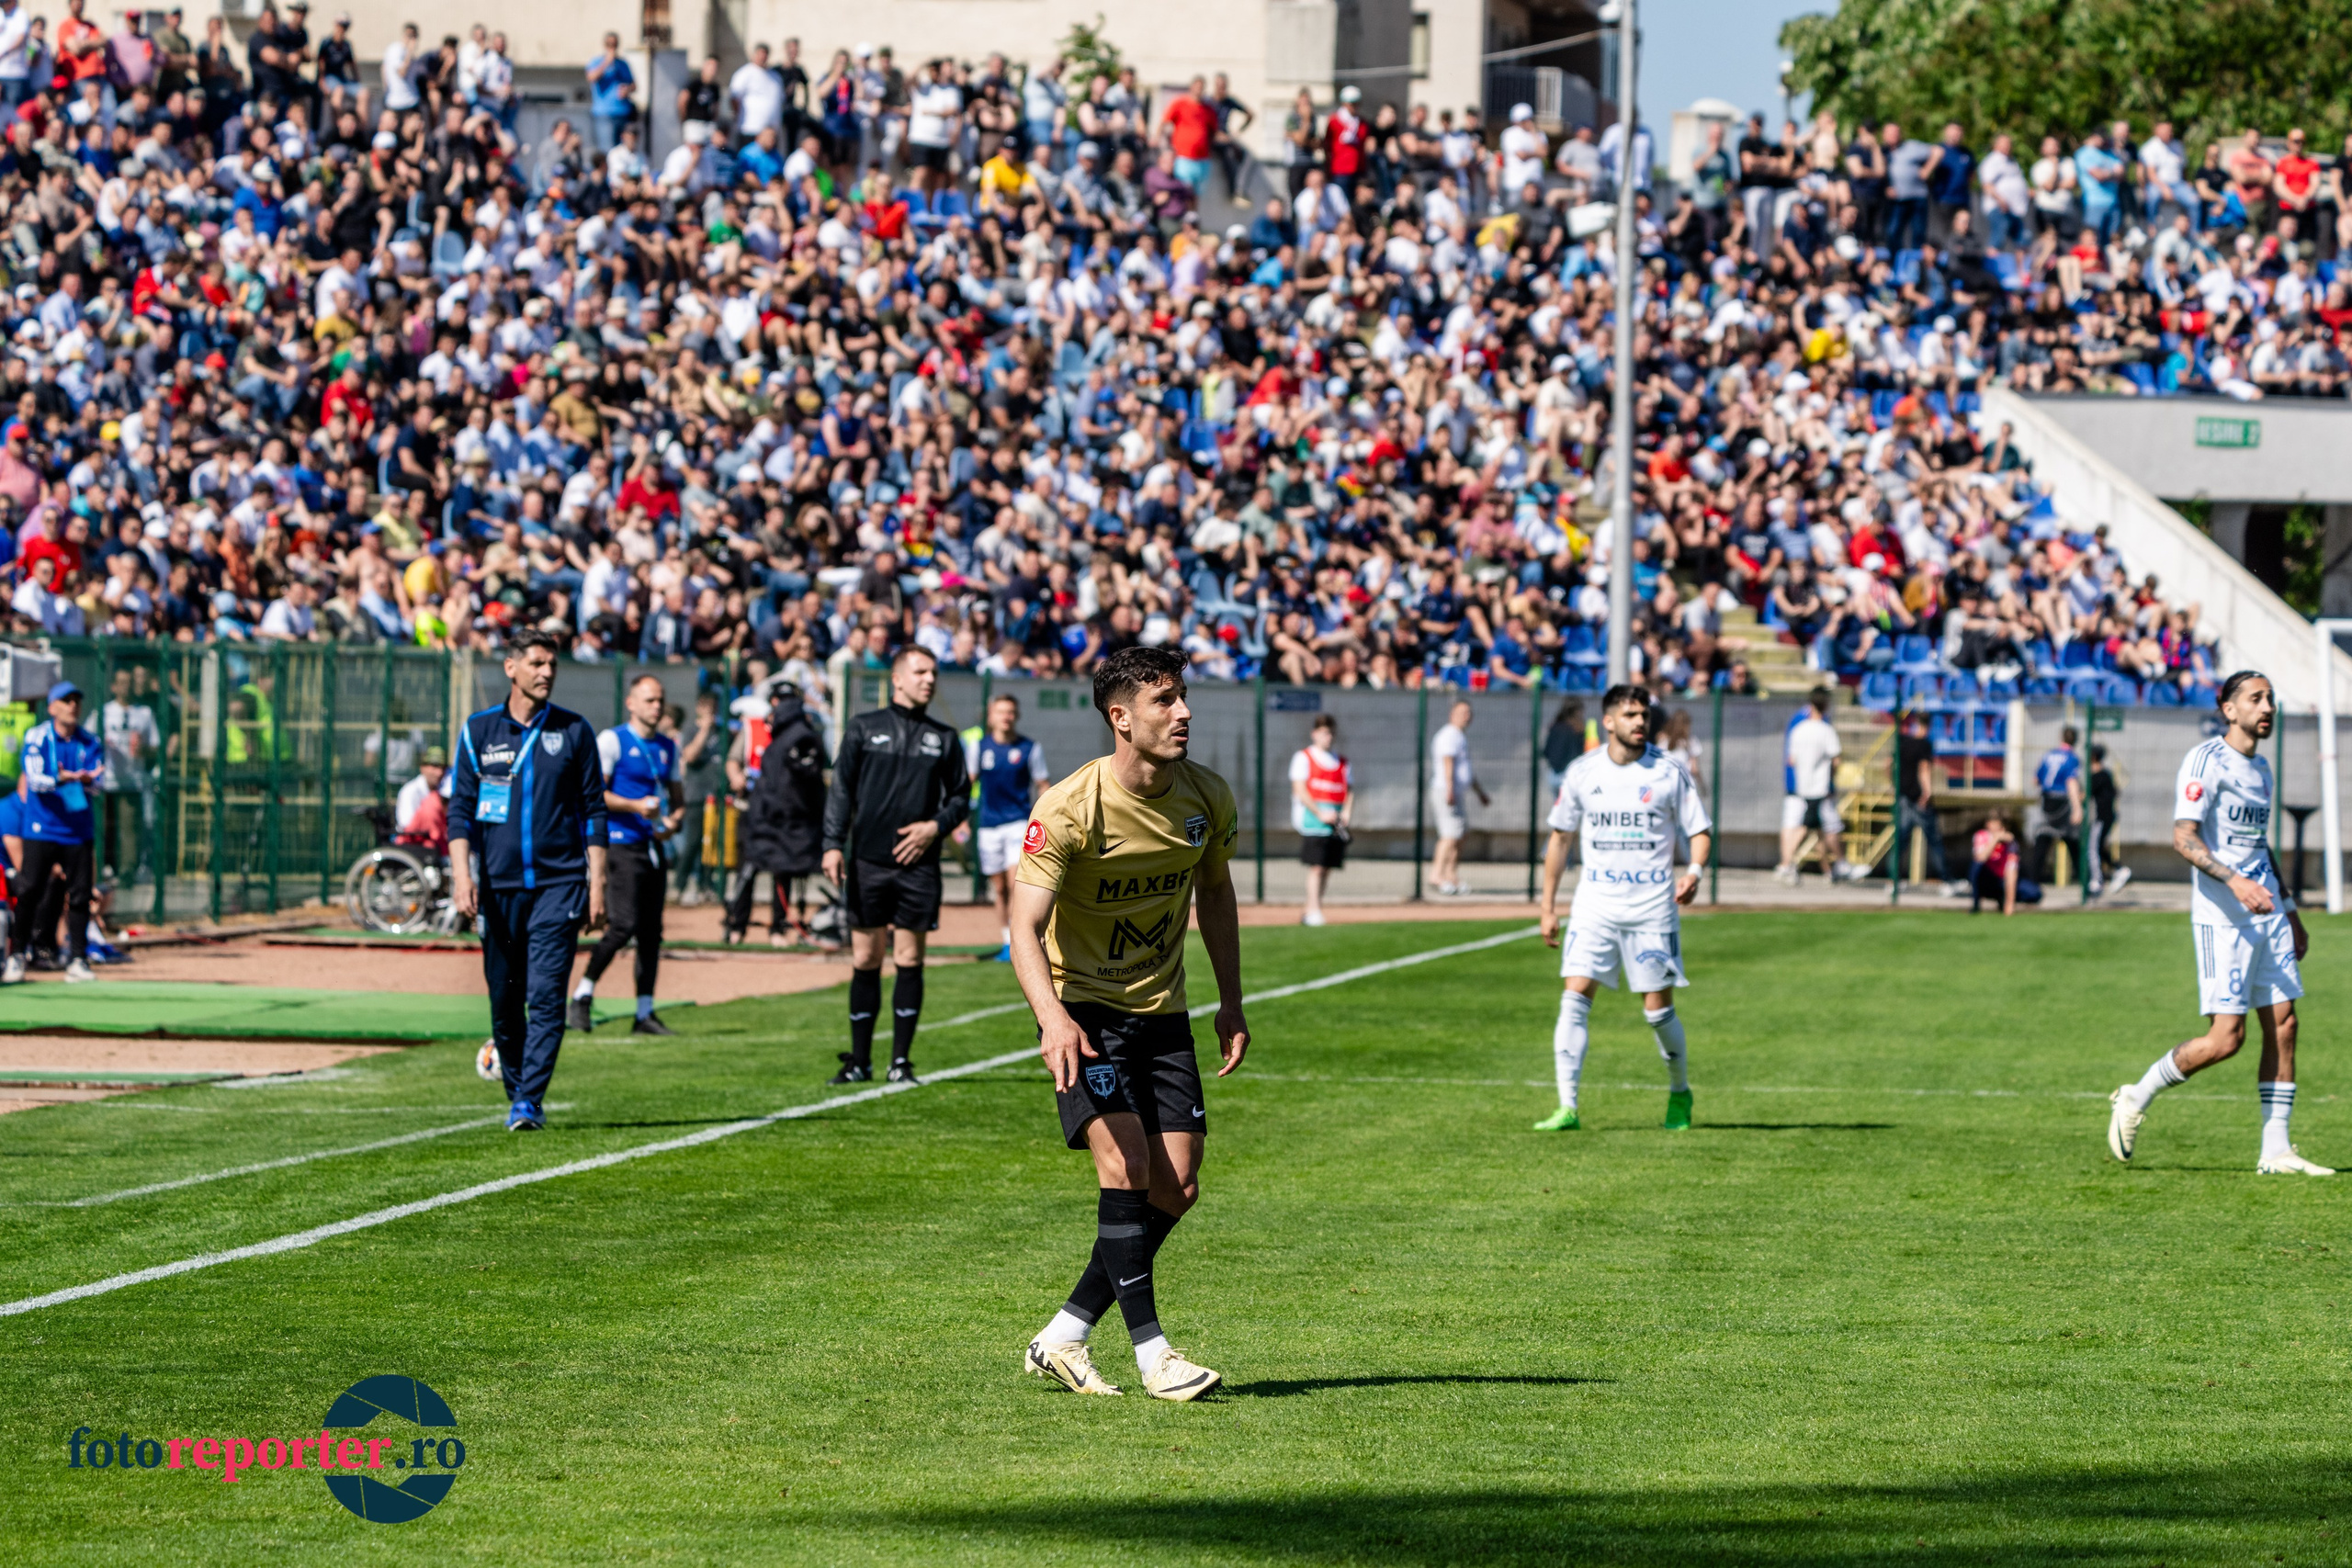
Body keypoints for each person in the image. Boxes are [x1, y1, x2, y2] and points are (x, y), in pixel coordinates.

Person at [1014, 647, 1245, 1402]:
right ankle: (1156, 1356)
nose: (1183, 714)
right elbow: (1024, 926)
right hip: (1084, 1014)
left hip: (1164, 1011)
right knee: (1126, 1169)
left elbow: (1216, 896)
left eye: (1183, 699)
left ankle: (1064, 1334)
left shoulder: (1205, 798)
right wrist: (1050, 1016)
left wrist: (1232, 1001)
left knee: (1177, 1185)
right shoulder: (1068, 807)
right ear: (1121, 717)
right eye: (1165, 702)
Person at [2108, 672, 2328, 1176]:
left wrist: (2289, 910)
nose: (2266, 706)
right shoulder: (2205, 760)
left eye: (2270, 697)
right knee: (2226, 1040)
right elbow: (2183, 838)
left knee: (2285, 1023)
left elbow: (2259, 845)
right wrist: (2234, 882)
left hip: (2266, 911)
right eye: (2255, 698)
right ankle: (2135, 1096)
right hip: (2223, 917)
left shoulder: (2263, 769)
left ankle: (2277, 1150)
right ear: (2230, 710)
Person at [448, 630, 608, 1133]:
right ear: (511, 668)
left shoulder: (575, 731)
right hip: (497, 889)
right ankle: (516, 1088)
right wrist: (461, 877)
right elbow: (460, 813)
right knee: (504, 1000)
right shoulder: (478, 731)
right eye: (537, 663)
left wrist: (597, 884)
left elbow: (594, 814)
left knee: (544, 996)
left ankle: (528, 1102)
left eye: (552, 665)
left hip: (560, 886)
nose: (546, 673)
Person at [1535, 684, 1713, 1133]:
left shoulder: (1669, 771)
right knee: (1573, 999)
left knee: (1657, 1012)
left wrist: (1693, 871)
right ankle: (1567, 1107)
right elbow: (1560, 838)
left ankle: (1679, 1091)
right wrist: (1548, 906)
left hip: (1652, 909)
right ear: (1609, 721)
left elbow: (1700, 829)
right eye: (1630, 714)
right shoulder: (1581, 772)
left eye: (1644, 715)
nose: (1640, 722)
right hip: (1595, 905)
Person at [819, 646, 970, 1085]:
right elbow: (841, 790)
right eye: (920, 672)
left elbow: (960, 797)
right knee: (866, 958)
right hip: (868, 862)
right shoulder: (864, 728)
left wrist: (933, 828)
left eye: (933, 673)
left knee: (910, 958)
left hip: (919, 867)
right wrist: (832, 844)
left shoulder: (944, 737)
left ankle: (900, 1063)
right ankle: (859, 1062)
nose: (928, 680)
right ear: (897, 678)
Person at [571, 673, 682, 1036]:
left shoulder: (667, 746)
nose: (657, 706)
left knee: (652, 932)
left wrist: (672, 822)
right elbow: (595, 794)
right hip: (620, 842)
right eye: (649, 700)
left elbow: (677, 800)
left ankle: (644, 1012)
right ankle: (582, 995)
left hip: (652, 845)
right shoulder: (612, 740)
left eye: (660, 700)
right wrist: (635, 806)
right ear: (631, 703)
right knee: (623, 924)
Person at [730, 680, 827, 946]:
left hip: (787, 817)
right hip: (756, 810)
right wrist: (736, 777)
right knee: (747, 871)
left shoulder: (801, 733)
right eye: (778, 699)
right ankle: (736, 925)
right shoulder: (754, 727)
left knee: (782, 874)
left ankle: (778, 927)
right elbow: (733, 760)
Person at [18, 681, 103, 981]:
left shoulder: (90, 741)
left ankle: (78, 959)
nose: (73, 706)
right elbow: (36, 779)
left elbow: (98, 782)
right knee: (29, 891)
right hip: (41, 829)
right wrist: (66, 777)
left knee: (80, 896)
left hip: (78, 831)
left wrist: (85, 779)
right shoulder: (37, 736)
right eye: (66, 701)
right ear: (52, 706)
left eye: (76, 701)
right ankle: (18, 953)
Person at [965, 692, 1049, 961]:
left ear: (1017, 716)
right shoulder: (979, 747)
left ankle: (1018, 941)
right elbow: (967, 783)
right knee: (999, 888)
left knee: (1016, 883)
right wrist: (958, 821)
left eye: (1010, 712)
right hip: (988, 825)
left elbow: (1042, 785)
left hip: (1018, 823)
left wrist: (1046, 816)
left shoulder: (1029, 748)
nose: (1006, 717)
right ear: (991, 716)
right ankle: (1005, 941)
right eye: (1001, 712)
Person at [1777, 688, 1858, 884]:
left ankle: (1830, 870)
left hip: (1800, 787)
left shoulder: (1798, 727)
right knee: (1815, 828)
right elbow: (1836, 760)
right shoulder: (1825, 729)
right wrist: (1830, 777)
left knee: (1820, 830)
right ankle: (1787, 865)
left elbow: (1791, 760)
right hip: (1818, 790)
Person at [1894, 710, 1965, 896]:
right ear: (1930, 724)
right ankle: (1948, 882)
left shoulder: (1903, 741)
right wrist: (1927, 792)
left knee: (1900, 840)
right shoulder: (1924, 744)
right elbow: (1924, 769)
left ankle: (1893, 880)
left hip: (1902, 797)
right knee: (1934, 841)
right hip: (1918, 800)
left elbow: (1889, 765)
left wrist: (1895, 785)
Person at [1289, 713, 1351, 927]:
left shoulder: (1341, 761)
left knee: (1326, 867)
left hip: (1334, 824)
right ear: (1314, 734)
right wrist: (1319, 813)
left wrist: (1346, 813)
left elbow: (1348, 790)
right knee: (1316, 866)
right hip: (1313, 821)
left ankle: (1311, 909)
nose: (1329, 737)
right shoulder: (1304, 757)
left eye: (1331, 733)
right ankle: (1314, 909)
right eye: (1324, 733)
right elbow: (1300, 789)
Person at [98, 665, 158, 885]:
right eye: (121, 683)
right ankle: (103, 866)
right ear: (114, 687)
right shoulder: (103, 712)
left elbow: (155, 746)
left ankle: (126, 870)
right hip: (106, 780)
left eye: (129, 683)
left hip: (131, 780)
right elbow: (88, 739)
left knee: (129, 827)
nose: (126, 687)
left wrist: (142, 749)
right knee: (103, 825)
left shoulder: (144, 714)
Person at [1429, 699, 1486, 896]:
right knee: (1450, 834)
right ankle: (1436, 875)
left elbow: (1466, 770)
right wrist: (1450, 789)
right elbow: (1448, 763)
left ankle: (1451, 874)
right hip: (1447, 791)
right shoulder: (1449, 735)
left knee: (1461, 834)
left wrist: (1480, 793)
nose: (1466, 716)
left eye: (1469, 713)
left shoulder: (1459, 736)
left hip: (1457, 792)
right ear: (1452, 714)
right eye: (1462, 712)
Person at [2031, 724, 2085, 885]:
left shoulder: (2049, 755)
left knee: (2042, 841)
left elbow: (2035, 780)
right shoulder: (2072, 758)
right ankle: (2086, 883)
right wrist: (2077, 808)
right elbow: (2071, 782)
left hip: (2047, 801)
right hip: (2062, 803)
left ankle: (2032, 881)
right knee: (2073, 841)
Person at [1969, 812, 2040, 915]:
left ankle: (2003, 899)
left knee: (2034, 892)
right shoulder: (1981, 836)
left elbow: (2012, 870)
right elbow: (1981, 858)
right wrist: (1995, 839)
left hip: (2002, 881)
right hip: (1986, 880)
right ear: (1988, 824)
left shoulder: (2011, 843)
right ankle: (1976, 904)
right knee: (1976, 866)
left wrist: (2009, 903)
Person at [2088, 742, 2130, 897]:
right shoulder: (2106, 774)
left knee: (2092, 848)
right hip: (2107, 816)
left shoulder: (2098, 775)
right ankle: (2118, 869)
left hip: (2103, 817)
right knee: (2097, 847)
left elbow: (2086, 794)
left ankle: (2097, 881)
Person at [393, 745, 450, 854]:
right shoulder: (410, 791)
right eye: (434, 767)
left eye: (443, 768)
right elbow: (407, 825)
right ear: (422, 768)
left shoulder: (441, 792)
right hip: (414, 846)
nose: (439, 773)